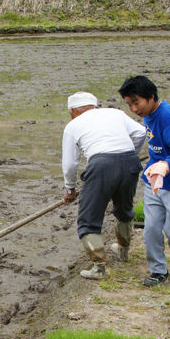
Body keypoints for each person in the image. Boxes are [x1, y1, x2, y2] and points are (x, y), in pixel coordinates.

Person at [119, 76, 170, 287]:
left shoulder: (168, 117)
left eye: (136, 103)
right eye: (129, 104)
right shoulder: (148, 114)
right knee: (151, 229)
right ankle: (158, 271)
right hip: (153, 181)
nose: (134, 109)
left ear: (151, 97)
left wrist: (166, 165)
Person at [61, 91, 147, 280]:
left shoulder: (73, 125)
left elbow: (70, 164)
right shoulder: (115, 113)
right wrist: (132, 153)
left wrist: (70, 190)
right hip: (130, 162)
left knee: (89, 218)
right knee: (125, 208)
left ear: (74, 110)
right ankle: (123, 250)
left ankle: (99, 267)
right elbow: (141, 133)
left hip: (101, 165)